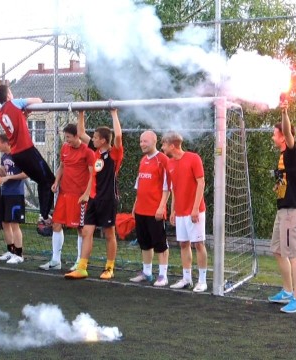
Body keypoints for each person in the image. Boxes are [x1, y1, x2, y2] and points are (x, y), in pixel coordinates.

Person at [65, 109, 123, 280]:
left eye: (96, 137)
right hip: (93, 198)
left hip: (107, 199)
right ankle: (82, 267)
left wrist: (114, 114)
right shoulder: (96, 152)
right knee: (86, 232)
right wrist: (81, 113)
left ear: (104, 140)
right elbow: (81, 133)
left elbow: (118, 136)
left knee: (109, 233)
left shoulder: (113, 153)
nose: (93, 139)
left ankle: (109, 268)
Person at [0, 84, 56, 229]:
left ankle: (44, 215)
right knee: (49, 181)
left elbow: (17, 122)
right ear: (8, 95)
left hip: (17, 154)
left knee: (43, 181)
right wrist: (40, 99)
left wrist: (25, 114)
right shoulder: (14, 103)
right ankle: (44, 217)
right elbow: (37, 101)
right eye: (11, 92)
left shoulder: (0, 113)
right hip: (27, 150)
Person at [267, 99, 296, 313]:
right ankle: (288, 291)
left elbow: (290, 136)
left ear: (282, 136)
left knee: (293, 254)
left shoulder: (292, 152)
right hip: (283, 210)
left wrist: (284, 112)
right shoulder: (282, 157)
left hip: (292, 210)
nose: (273, 137)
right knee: (277, 249)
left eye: (275, 133)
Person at [40, 118, 94, 271]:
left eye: (68, 137)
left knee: (81, 229)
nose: (66, 140)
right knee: (56, 224)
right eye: (65, 138)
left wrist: (87, 193)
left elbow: (93, 175)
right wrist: (56, 181)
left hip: (79, 196)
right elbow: (62, 167)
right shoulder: (64, 148)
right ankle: (56, 260)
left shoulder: (88, 151)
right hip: (64, 193)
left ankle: (80, 261)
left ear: (77, 136)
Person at [160, 131, 208, 292]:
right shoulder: (170, 163)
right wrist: (173, 210)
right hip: (180, 212)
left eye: (164, 144)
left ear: (172, 145)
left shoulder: (194, 158)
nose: (162, 147)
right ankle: (186, 278)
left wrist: (195, 209)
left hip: (195, 211)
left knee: (198, 244)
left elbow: (201, 183)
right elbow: (174, 188)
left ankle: (202, 280)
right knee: (183, 244)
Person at [129, 131, 171, 286]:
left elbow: (167, 187)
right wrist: (135, 206)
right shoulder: (142, 160)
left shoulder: (163, 160)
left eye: (145, 141)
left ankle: (163, 275)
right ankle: (147, 273)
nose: (142, 144)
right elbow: (139, 185)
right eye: (140, 141)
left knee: (160, 243)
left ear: (154, 141)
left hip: (155, 211)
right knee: (144, 242)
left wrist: (161, 207)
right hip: (141, 210)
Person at [0, 134, 28, 264]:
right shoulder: (4, 156)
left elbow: (25, 174)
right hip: (5, 193)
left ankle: (19, 253)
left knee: (14, 224)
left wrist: (8, 178)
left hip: (15, 194)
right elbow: (3, 174)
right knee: (5, 223)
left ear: (6, 143)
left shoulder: (17, 155)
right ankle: (10, 251)